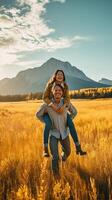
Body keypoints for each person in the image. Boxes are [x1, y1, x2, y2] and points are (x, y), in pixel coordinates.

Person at [40, 69, 86, 156]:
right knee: (48, 125)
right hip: (49, 109)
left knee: (71, 124)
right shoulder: (50, 85)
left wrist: (63, 107)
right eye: (58, 74)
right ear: (55, 76)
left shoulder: (65, 86)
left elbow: (67, 98)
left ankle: (78, 147)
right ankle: (45, 149)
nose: (60, 76)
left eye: (62, 74)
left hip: (62, 107)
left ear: (63, 77)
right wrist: (52, 106)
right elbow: (44, 97)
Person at [36, 84, 78, 176]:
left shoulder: (66, 103)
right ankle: (56, 177)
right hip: (53, 134)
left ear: (62, 93)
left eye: (59, 90)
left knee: (68, 151)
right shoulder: (47, 105)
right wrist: (48, 123)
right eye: (56, 90)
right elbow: (38, 114)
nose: (58, 92)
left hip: (64, 133)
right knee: (55, 157)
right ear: (52, 92)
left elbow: (74, 112)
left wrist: (68, 121)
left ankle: (63, 158)